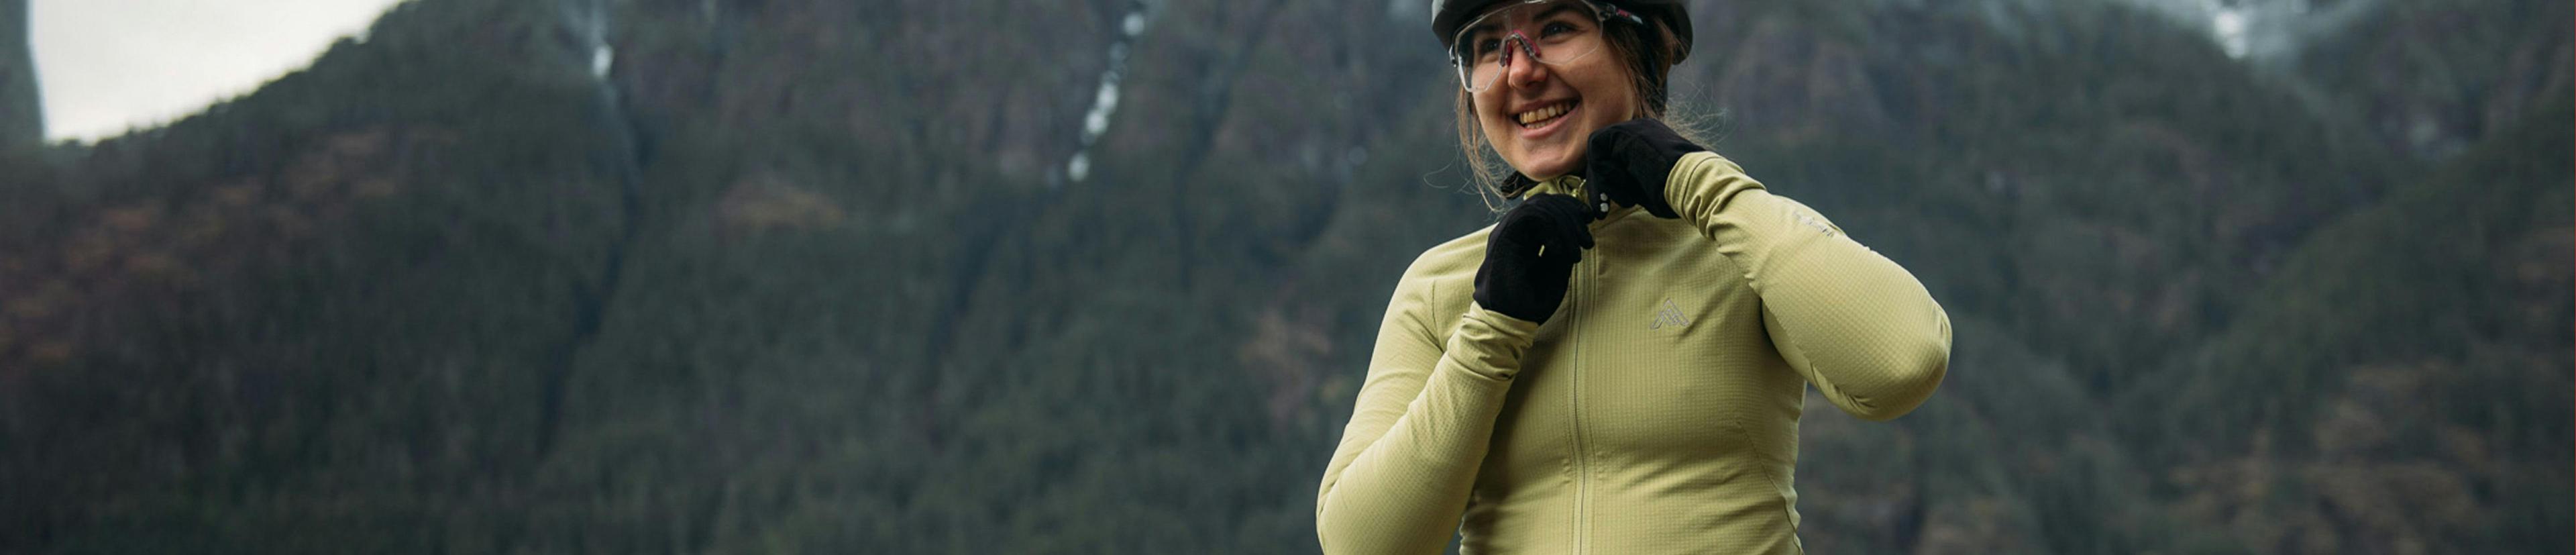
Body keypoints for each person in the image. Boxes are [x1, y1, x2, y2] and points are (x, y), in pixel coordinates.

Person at [1313, 1, 1953, 553]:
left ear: (1641, 44)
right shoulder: (1443, 285)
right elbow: (1361, 542)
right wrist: (1492, 328)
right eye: (1487, 47)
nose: (1521, 69)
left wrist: (1703, 186)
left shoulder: (1741, 239)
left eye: (1558, 27)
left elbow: (1902, 363)